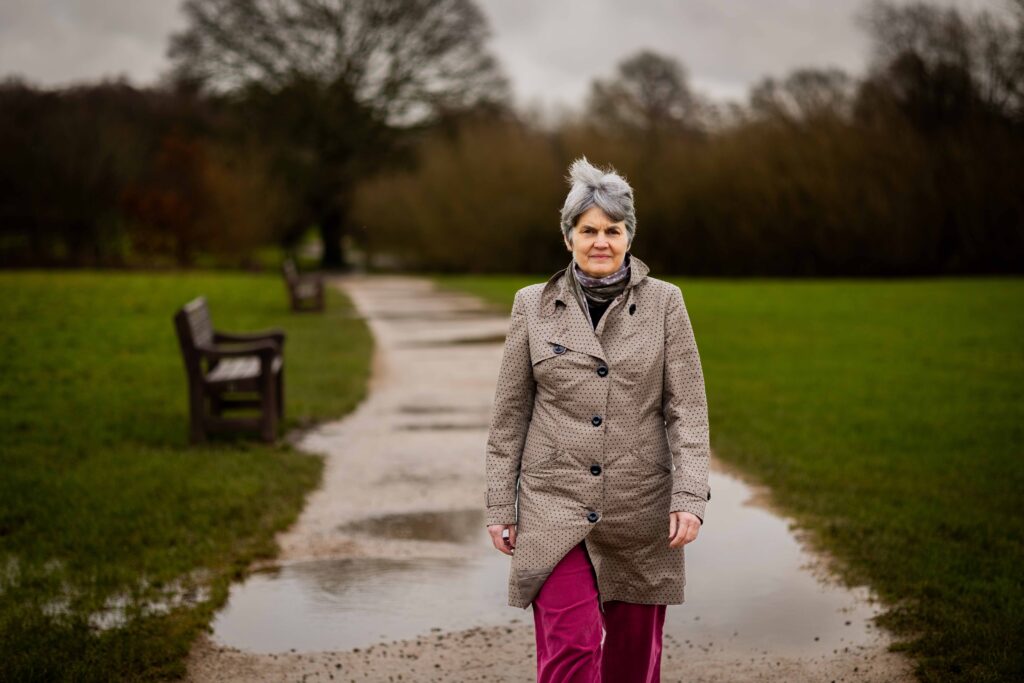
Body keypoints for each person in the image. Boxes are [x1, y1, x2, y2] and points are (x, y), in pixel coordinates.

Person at [484, 156, 711, 682]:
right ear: (569, 238)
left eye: (613, 229)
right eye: (589, 230)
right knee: (572, 650)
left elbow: (688, 411)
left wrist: (690, 497)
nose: (601, 241)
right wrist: (499, 503)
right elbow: (509, 416)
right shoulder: (531, 306)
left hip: (639, 508)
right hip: (552, 504)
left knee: (632, 662)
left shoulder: (666, 304)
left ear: (629, 236)